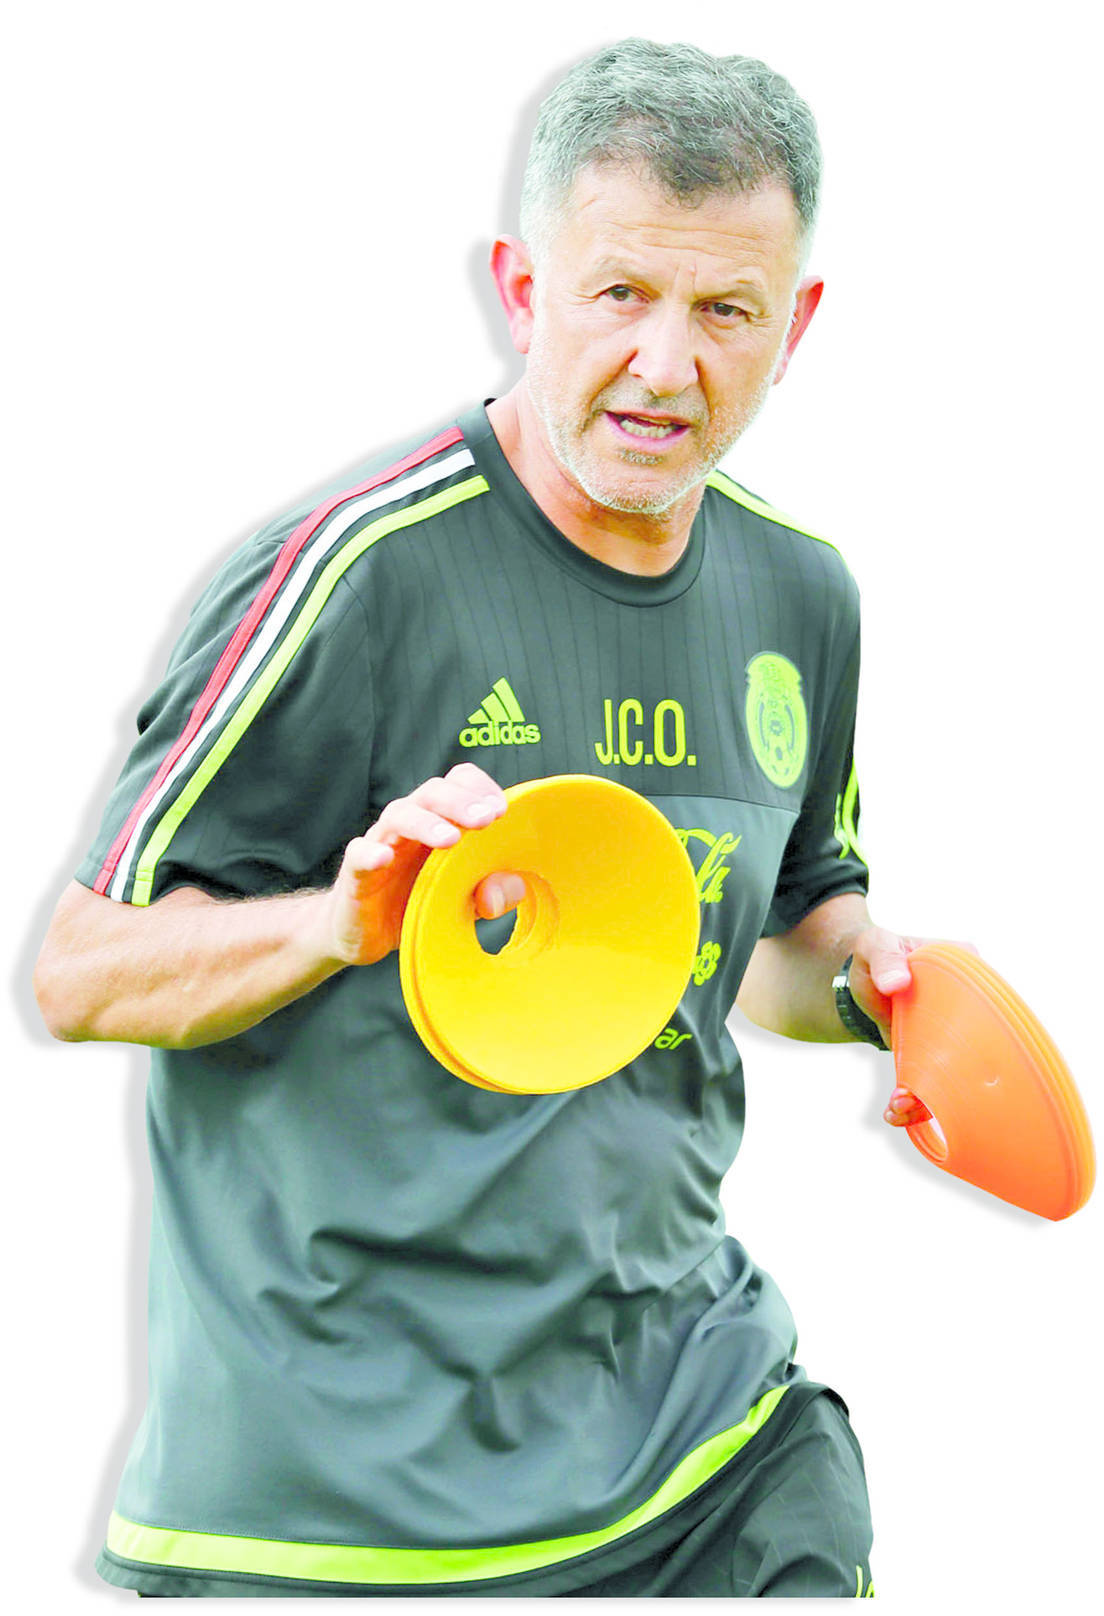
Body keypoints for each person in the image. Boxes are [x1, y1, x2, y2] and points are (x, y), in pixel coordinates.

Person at [34, 38, 935, 1598]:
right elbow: (80, 973)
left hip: (694, 1440)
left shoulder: (803, 596)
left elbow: (780, 935)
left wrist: (880, 990)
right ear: (524, 288)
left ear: (795, 327)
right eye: (620, 294)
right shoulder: (352, 573)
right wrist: (336, 924)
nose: (666, 365)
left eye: (725, 312)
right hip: (341, 1509)